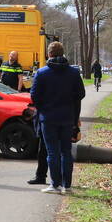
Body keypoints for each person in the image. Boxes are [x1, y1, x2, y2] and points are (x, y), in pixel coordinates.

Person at [30, 41, 86, 194]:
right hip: (67, 117)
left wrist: (43, 107)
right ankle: (66, 185)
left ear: (49, 54)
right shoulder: (73, 73)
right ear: (63, 53)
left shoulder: (42, 73)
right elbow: (81, 94)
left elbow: (34, 96)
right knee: (66, 151)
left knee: (52, 152)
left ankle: (54, 184)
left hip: (48, 118)